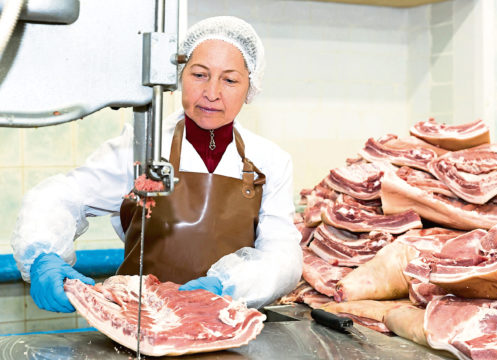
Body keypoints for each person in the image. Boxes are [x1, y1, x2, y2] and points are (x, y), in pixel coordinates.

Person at [11, 16, 302, 312]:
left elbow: (283, 256)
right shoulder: (143, 147)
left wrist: (230, 284)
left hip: (226, 325)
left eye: (229, 80)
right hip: (141, 323)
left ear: (249, 87)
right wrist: (42, 254)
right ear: (179, 74)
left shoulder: (269, 161)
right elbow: (62, 196)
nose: (212, 93)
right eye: (200, 74)